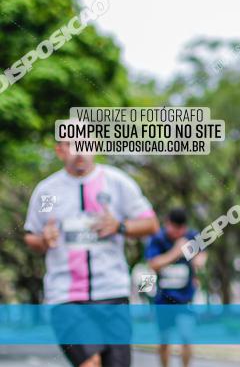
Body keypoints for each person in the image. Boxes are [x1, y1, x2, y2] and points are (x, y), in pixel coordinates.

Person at [24, 136, 159, 367]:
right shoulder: (48, 192)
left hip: (112, 293)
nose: (79, 151)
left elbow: (151, 224)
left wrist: (120, 226)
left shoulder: (117, 183)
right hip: (66, 296)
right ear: (60, 151)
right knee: (90, 362)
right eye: (71, 144)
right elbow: (32, 235)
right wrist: (44, 239)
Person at [145, 207, 205, 367]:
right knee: (164, 341)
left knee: (186, 338)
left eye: (181, 229)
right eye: (174, 228)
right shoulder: (157, 239)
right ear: (167, 224)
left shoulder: (192, 236)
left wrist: (192, 254)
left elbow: (201, 259)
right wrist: (175, 252)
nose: (178, 232)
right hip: (163, 300)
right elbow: (153, 264)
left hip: (186, 299)